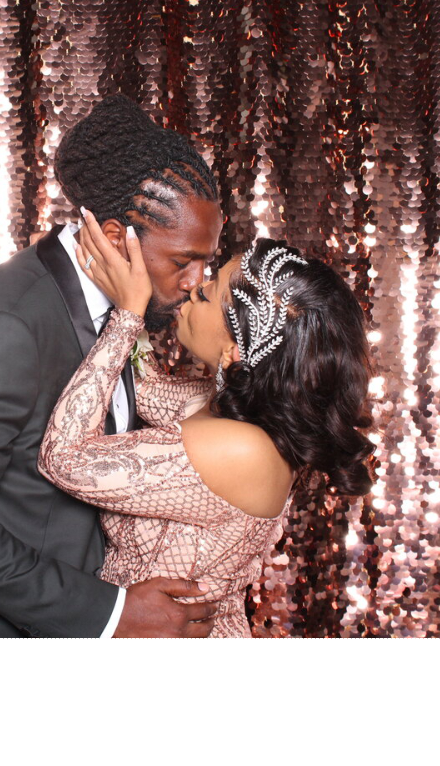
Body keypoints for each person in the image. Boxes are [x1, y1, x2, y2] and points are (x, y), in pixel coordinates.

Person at [0, 94, 224, 637]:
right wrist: (113, 614)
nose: (196, 282)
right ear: (118, 236)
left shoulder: (124, 308)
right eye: (182, 261)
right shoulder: (8, 325)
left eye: (207, 261)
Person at [38, 207, 375, 637]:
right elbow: (140, 385)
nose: (194, 286)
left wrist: (127, 314)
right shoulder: (231, 409)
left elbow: (62, 458)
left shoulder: (243, 448)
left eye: (208, 292)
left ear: (236, 353)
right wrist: (113, 280)